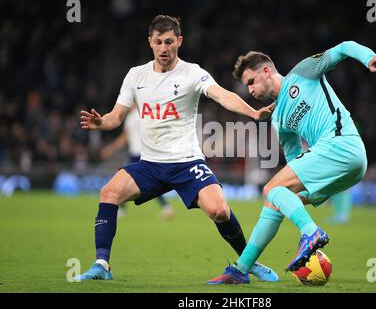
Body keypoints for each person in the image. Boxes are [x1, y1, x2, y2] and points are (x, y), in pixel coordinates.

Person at [75, 15, 278, 282]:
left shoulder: (192, 73)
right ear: (150, 42)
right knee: (109, 192)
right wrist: (101, 122)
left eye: (169, 41)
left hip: (187, 163)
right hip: (149, 164)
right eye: (158, 42)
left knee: (220, 211)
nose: (163, 48)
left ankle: (248, 263)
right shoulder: (136, 76)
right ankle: (102, 264)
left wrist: (252, 113)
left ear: (179, 41)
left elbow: (221, 95)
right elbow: (115, 117)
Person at [208, 41, 376, 284]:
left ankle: (311, 232)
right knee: (275, 200)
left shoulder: (303, 72)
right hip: (347, 164)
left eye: (251, 82)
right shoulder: (278, 119)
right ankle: (242, 268)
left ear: (266, 72)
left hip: (342, 144)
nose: (249, 90)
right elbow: (295, 159)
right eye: (246, 87)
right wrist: (292, 197)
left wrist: (368, 58)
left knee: (272, 188)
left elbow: (343, 48)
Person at [100, 105, 176, 219]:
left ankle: (121, 209)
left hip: (139, 154)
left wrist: (110, 149)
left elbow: (125, 137)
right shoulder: (143, 114)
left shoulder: (135, 115)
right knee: (143, 182)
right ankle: (165, 207)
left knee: (126, 181)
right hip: (143, 153)